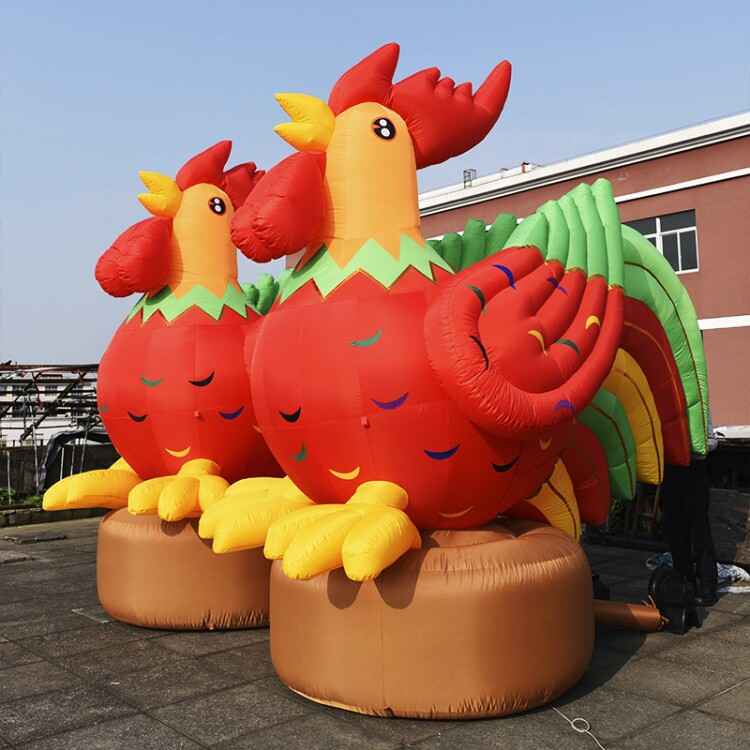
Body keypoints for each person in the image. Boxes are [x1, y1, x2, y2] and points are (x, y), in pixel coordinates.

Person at [659, 421, 719, 607]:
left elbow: (711, 440)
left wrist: (691, 447)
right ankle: (685, 581)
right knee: (675, 529)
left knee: (699, 529)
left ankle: (708, 585)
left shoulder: (697, 406)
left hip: (693, 467)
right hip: (669, 468)